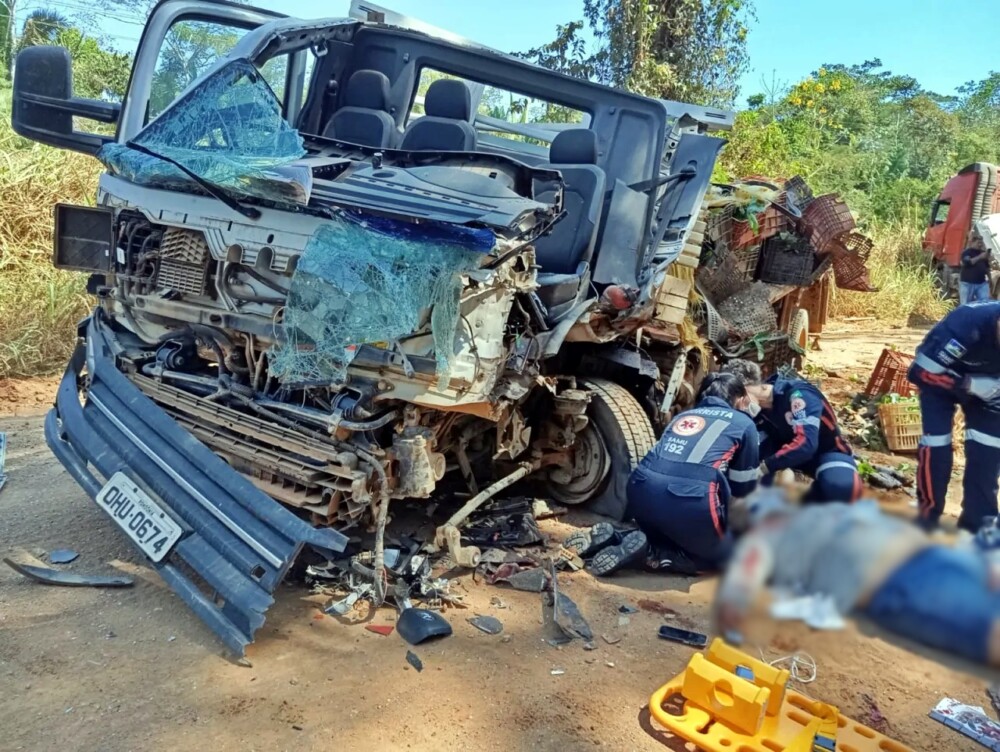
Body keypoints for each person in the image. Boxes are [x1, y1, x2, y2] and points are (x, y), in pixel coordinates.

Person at [715, 492, 1000, 668]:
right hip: (902, 579)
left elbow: (740, 587)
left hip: (917, 566)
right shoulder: (766, 537)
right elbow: (741, 585)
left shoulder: (797, 520)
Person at [566, 373, 759, 576]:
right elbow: (743, 488)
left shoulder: (683, 416)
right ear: (739, 398)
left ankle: (616, 537)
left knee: (672, 529)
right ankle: (652, 555)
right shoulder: (744, 424)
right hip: (690, 500)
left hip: (640, 493)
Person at [907, 300, 1000, 532]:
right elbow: (918, 372)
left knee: (987, 451)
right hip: (941, 381)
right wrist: (969, 384)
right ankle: (927, 518)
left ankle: (979, 524)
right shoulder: (967, 324)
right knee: (937, 445)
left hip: (991, 389)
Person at [721, 359, 862, 503]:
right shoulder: (758, 412)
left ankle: (810, 502)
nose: (737, 405)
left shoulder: (798, 396)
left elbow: (806, 444)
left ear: (745, 387)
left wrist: (766, 467)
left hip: (824, 453)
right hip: (781, 454)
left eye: (736, 397)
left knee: (841, 488)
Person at [959, 236, 992, 305]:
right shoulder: (966, 252)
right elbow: (968, 262)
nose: (980, 245)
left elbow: (987, 268)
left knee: (985, 304)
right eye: (978, 243)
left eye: (981, 243)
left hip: (981, 284)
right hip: (967, 284)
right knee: (965, 305)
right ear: (972, 243)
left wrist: (990, 279)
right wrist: (980, 257)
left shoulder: (983, 253)